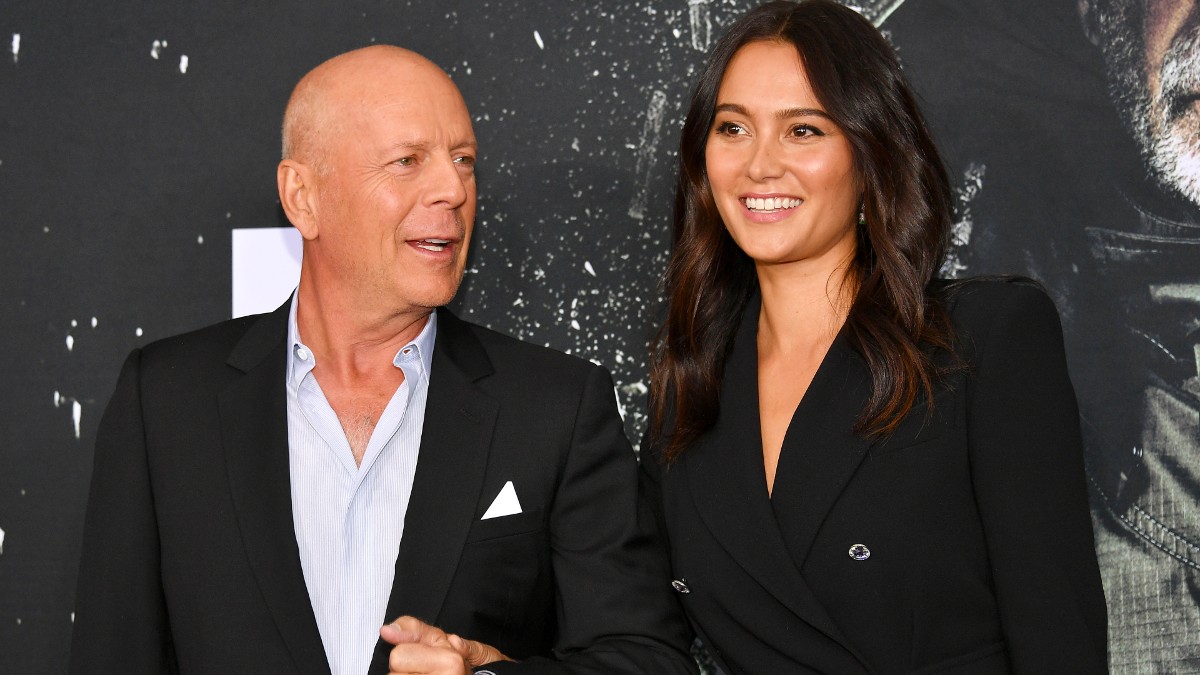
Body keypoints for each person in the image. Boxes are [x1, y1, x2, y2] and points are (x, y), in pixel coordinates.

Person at [68, 45, 695, 675]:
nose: (453, 189)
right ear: (303, 197)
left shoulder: (556, 407)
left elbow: (645, 660)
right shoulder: (167, 402)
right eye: (407, 161)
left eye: (464, 161)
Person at [640, 1, 1108, 673]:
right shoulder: (690, 389)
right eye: (733, 127)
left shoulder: (986, 341)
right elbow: (640, 637)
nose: (759, 165)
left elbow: (1058, 643)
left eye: (803, 130)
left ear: (871, 156)